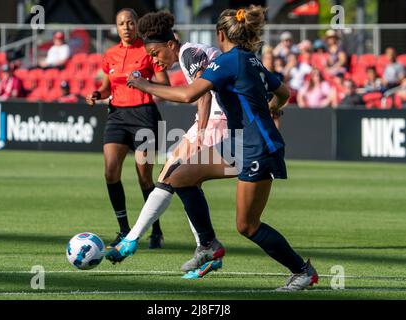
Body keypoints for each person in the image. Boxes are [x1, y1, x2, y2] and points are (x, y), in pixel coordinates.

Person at [125, 5, 318, 291]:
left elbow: (190, 93)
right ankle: (207, 244)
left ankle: (303, 271)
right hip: (240, 143)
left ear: (220, 34)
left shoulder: (229, 62)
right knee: (179, 177)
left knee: (247, 226)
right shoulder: (249, 60)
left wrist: (144, 85)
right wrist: (271, 109)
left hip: (257, 148)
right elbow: (284, 93)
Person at [105, 10, 233, 277]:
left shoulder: (190, 53)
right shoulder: (191, 53)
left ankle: (132, 241)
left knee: (172, 178)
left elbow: (203, 94)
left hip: (219, 122)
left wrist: (199, 132)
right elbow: (203, 93)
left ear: (170, 45)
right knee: (173, 178)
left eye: (155, 53)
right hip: (212, 120)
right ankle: (205, 249)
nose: (154, 60)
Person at [85, 8, 170, 249]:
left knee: (144, 178)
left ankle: (155, 230)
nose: (126, 27)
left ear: (137, 25)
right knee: (110, 172)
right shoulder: (110, 54)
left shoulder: (148, 50)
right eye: (122, 23)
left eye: (130, 22)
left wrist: (144, 83)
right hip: (117, 116)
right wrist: (96, 94)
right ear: (116, 26)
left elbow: (165, 84)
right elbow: (106, 87)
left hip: (144, 116)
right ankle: (124, 229)